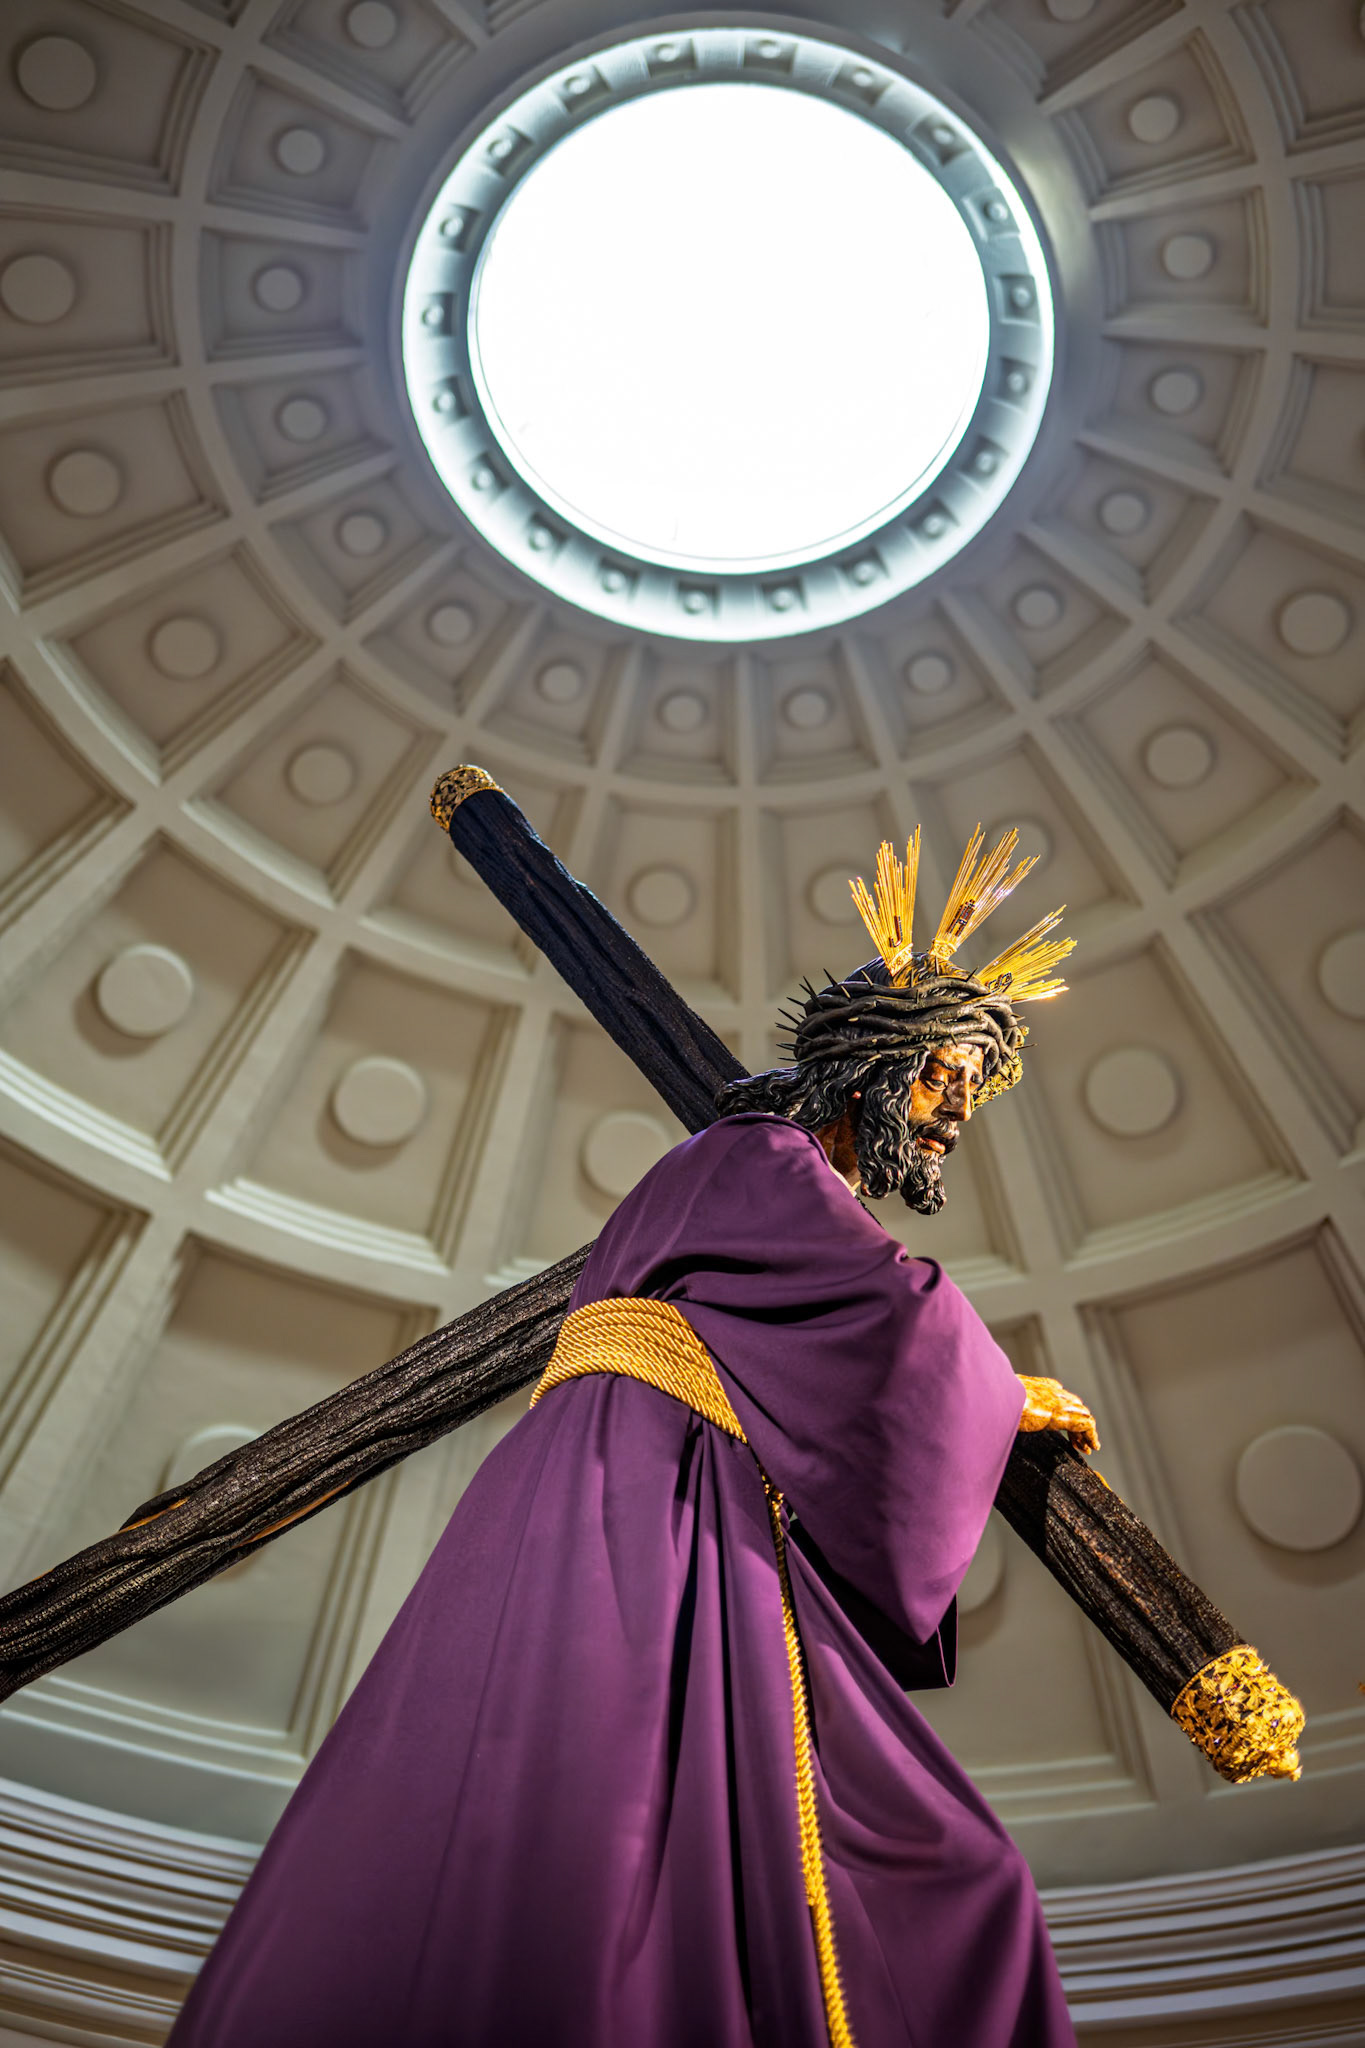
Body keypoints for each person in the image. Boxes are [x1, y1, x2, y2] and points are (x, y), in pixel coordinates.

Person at [169, 831, 1097, 2048]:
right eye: (940, 1084)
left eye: (964, 1099)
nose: (949, 1122)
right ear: (873, 1063)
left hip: (658, 1496)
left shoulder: (741, 1171)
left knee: (902, 1863)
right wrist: (998, 1389)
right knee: (648, 1818)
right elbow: (887, 1322)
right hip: (645, 1502)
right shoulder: (756, 1160)